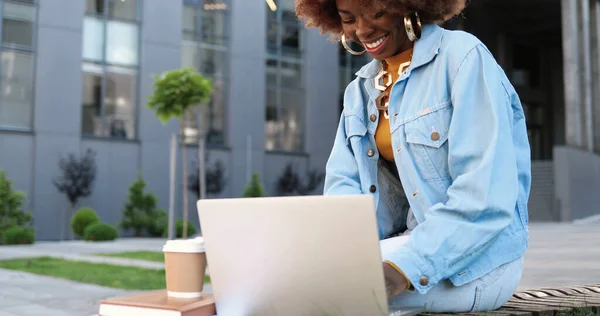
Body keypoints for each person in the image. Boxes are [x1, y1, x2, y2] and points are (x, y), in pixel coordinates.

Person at [295, 0, 531, 313]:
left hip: (480, 262)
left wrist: (401, 269)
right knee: (287, 283)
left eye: (377, 13)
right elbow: (345, 195)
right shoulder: (360, 90)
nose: (363, 30)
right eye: (349, 18)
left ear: (410, 6)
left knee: (321, 294)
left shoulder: (462, 58)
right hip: (406, 247)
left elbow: (483, 199)